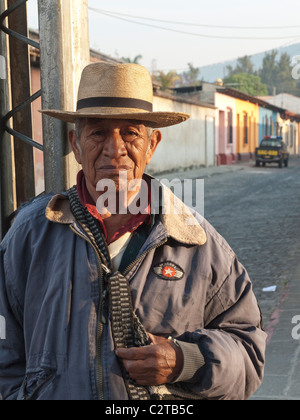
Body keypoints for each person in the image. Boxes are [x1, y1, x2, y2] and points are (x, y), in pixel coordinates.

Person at [0, 63, 266, 400]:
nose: (115, 149)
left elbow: (249, 351)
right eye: (98, 132)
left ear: (152, 144)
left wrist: (188, 360)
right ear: (76, 144)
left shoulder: (197, 243)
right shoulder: (30, 235)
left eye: (130, 132)